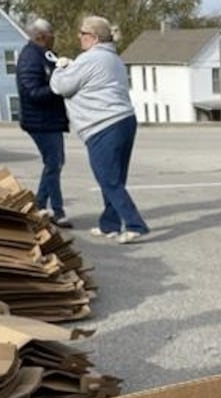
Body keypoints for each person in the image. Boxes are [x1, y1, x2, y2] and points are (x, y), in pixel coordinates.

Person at [49, 15, 149, 244]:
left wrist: (59, 68)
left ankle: (135, 225)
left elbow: (61, 87)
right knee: (115, 178)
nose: (79, 37)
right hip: (125, 120)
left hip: (103, 126)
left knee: (107, 179)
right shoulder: (113, 59)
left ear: (93, 37)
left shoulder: (89, 59)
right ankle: (109, 225)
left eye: (82, 33)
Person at [17, 19, 72, 228]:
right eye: (51, 34)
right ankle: (57, 211)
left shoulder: (46, 55)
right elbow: (32, 91)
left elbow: (55, 76)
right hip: (39, 120)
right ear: (41, 36)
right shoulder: (30, 57)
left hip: (50, 119)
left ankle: (40, 204)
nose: (54, 37)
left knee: (54, 162)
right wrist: (58, 88)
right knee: (54, 162)